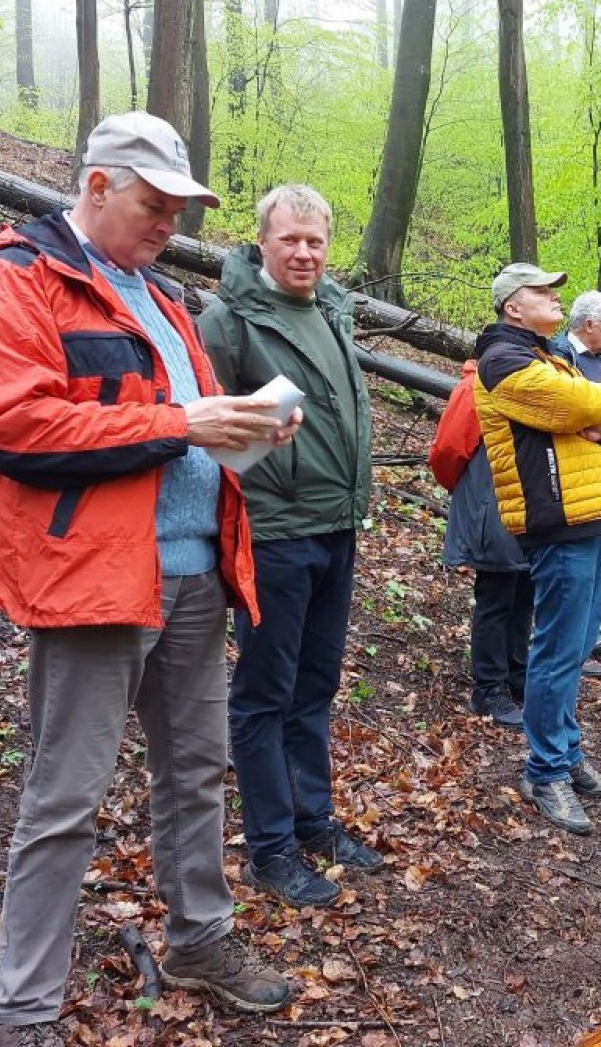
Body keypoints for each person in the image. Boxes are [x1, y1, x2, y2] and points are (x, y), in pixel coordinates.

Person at [0, 111, 293, 1045]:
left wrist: (247, 426)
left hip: (194, 574)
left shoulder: (162, 298)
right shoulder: (22, 277)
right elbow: (17, 428)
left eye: (179, 211)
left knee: (196, 773)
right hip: (93, 581)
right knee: (63, 799)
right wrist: (184, 425)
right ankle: (21, 1013)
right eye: (153, 204)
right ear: (98, 185)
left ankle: (199, 938)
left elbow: (179, 421)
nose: (168, 226)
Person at [199, 184, 381, 909]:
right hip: (273, 533)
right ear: (263, 242)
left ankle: (315, 823)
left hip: (335, 525)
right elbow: (201, 426)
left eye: (316, 240)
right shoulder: (230, 321)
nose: (304, 252)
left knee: (316, 686)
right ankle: (269, 847)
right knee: (265, 694)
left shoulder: (333, 309)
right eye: (290, 240)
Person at [474, 263, 601, 835]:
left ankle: (564, 753)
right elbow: (589, 404)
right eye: (542, 292)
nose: (553, 299)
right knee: (559, 649)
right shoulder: (502, 360)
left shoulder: (548, 357)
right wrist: (599, 406)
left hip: (587, 511)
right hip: (554, 517)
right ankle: (544, 772)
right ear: (513, 305)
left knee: (580, 642)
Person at [429, 354, 531, 726]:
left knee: (524, 591)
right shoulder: (475, 386)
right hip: (493, 505)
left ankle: (517, 679)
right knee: (497, 595)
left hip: (528, 509)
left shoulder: (533, 379)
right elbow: (446, 452)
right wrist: (478, 496)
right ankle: (488, 690)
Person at [554, 290, 601, 674]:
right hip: (577, 482)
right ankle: (572, 649)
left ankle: (590, 639)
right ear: (589, 324)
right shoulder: (562, 356)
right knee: (578, 571)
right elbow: (575, 416)